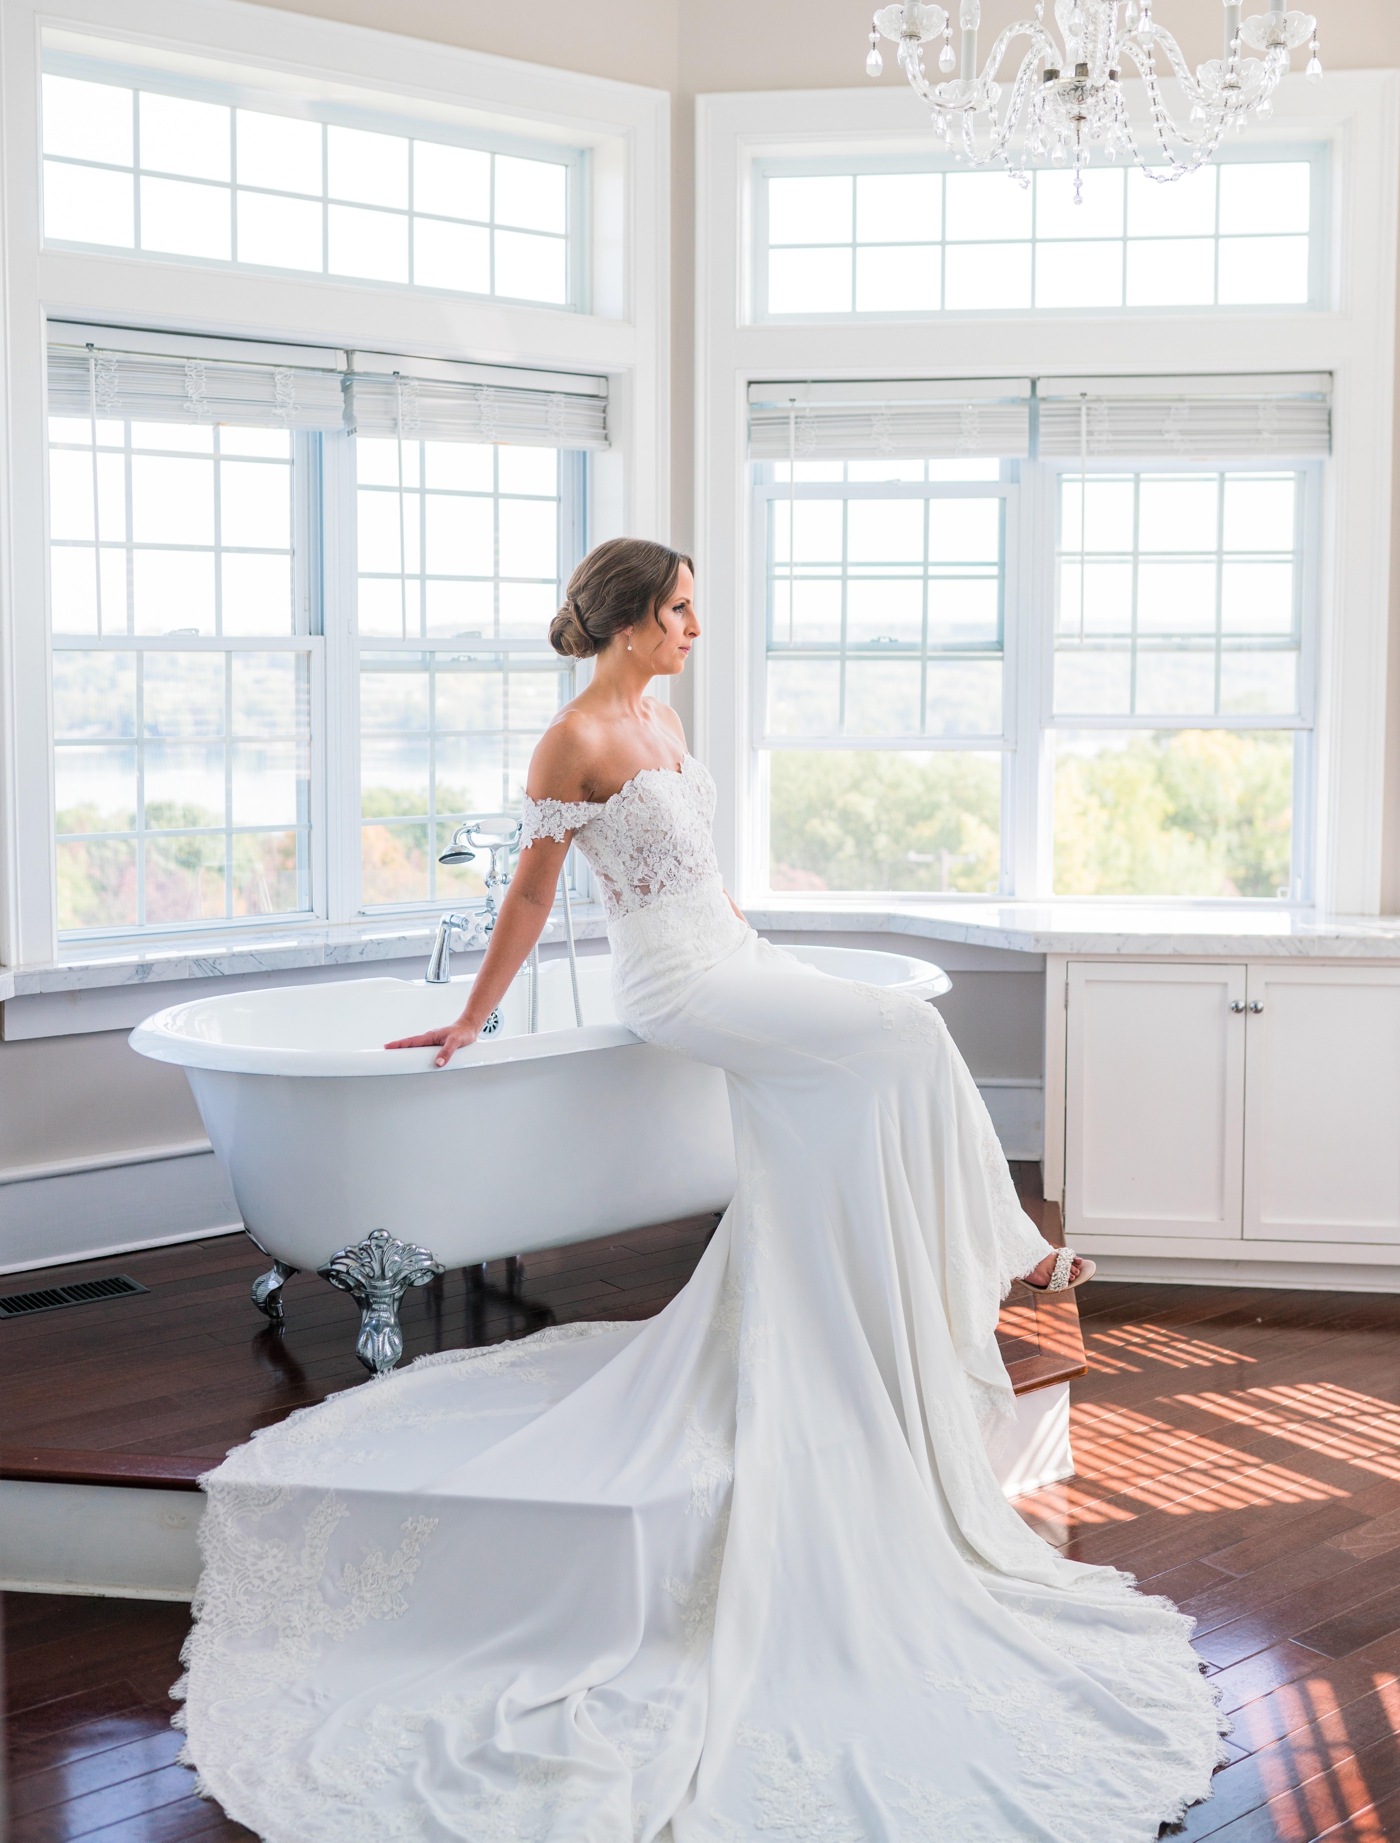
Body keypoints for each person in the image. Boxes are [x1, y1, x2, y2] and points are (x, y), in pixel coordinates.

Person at [176, 537, 1222, 1841]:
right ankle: (999, 1245)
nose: (695, 631)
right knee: (901, 1039)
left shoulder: (662, 719)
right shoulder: (574, 741)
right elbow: (532, 895)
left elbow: (705, 883)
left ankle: (903, 1282)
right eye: (679, 613)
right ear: (627, 622)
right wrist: (470, 1021)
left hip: (730, 953)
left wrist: (772, 951)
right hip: (670, 983)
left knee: (871, 1064)